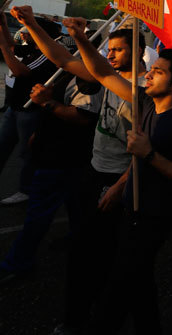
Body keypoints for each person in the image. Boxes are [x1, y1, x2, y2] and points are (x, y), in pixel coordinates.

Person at [9, 5, 147, 334]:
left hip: (120, 183)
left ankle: (106, 316)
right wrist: (31, 24)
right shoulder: (106, 77)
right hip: (93, 173)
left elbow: (148, 147)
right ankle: (78, 316)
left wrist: (122, 183)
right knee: (84, 253)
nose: (110, 55)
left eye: (118, 50)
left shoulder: (145, 90)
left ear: (138, 52)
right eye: (108, 50)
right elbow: (62, 58)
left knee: (109, 257)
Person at [63, 16, 172, 335]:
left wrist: (149, 154)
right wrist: (81, 38)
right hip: (132, 207)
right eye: (152, 69)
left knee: (118, 288)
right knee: (137, 283)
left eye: (158, 72)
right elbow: (102, 72)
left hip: (154, 216)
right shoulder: (146, 103)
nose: (150, 74)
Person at [0, 73, 102, 281]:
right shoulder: (63, 71)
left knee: (39, 211)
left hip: (63, 156)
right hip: (56, 152)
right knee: (76, 203)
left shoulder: (87, 77)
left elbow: (82, 117)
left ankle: (18, 262)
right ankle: (81, 241)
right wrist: (40, 132)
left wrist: (46, 102)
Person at [0, 13, 59, 205]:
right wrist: (2, 23)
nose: (24, 35)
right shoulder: (30, 49)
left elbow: (20, 71)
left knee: (27, 153)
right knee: (2, 146)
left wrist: (1, 44)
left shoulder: (44, 55)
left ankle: (25, 190)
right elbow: (11, 46)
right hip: (14, 108)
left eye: (30, 31)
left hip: (29, 112)